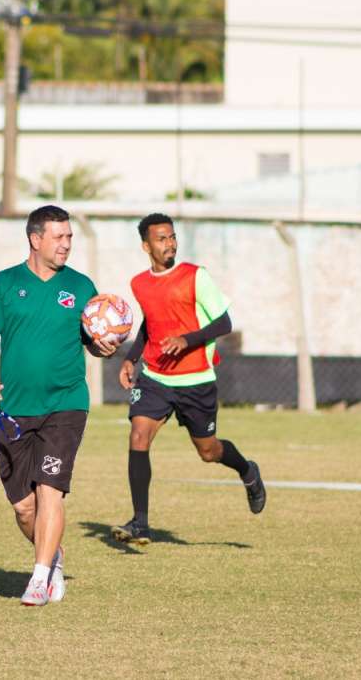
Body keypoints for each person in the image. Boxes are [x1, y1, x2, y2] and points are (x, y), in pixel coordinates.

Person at [0, 204, 116, 606]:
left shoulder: (83, 287)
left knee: (50, 489)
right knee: (23, 506)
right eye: (59, 237)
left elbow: (94, 343)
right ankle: (52, 556)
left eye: (69, 237)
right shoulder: (3, 283)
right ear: (36, 240)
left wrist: (104, 349)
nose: (66, 244)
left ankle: (39, 578)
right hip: (14, 409)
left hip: (66, 404)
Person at [112, 213, 266, 545]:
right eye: (161, 239)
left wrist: (187, 339)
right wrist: (130, 357)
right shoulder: (139, 283)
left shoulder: (196, 277)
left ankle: (247, 471)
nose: (169, 244)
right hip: (155, 377)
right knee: (139, 435)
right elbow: (150, 324)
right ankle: (140, 522)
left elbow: (224, 323)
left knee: (208, 451)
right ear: (146, 245)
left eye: (172, 237)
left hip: (196, 379)